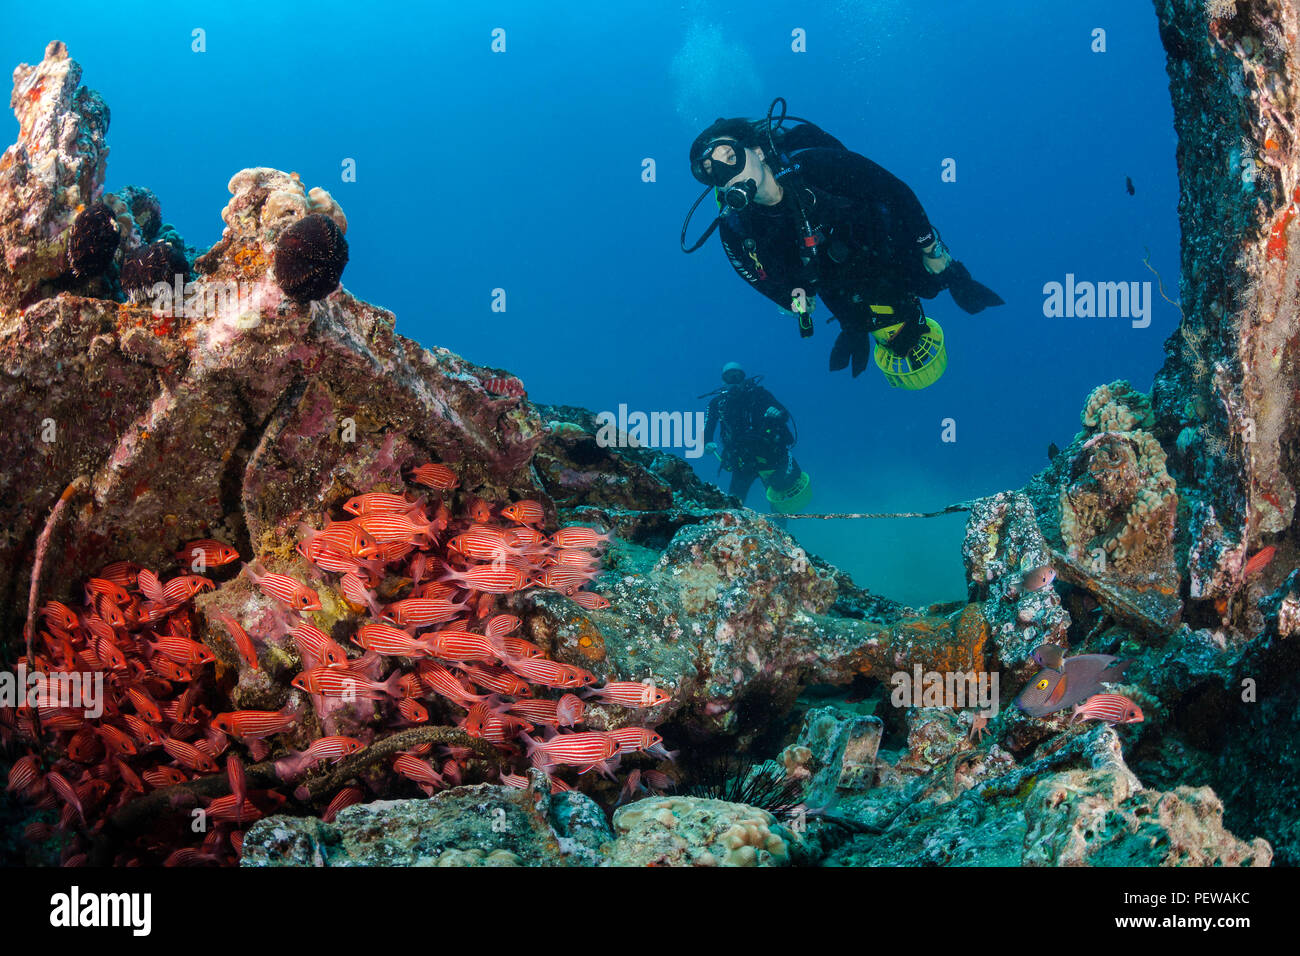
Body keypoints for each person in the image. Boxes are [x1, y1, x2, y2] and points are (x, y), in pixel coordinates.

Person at [682, 102, 1004, 388]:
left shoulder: (817, 165)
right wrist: (790, 297)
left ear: (759, 151)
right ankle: (857, 326)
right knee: (846, 305)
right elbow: (753, 273)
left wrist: (931, 250)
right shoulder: (735, 225)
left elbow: (896, 192)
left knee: (928, 282)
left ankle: (941, 283)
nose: (726, 173)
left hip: (878, 245)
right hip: (831, 275)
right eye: (711, 171)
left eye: (729, 156)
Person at [701, 362, 810, 519]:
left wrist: (777, 413)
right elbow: (708, 426)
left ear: (744, 378)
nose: (734, 380)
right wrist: (707, 443)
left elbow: (785, 414)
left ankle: (780, 532)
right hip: (742, 459)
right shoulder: (718, 403)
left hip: (769, 455)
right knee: (734, 502)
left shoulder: (760, 395)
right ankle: (732, 529)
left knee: (779, 497)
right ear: (723, 380)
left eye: (737, 376)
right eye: (729, 377)